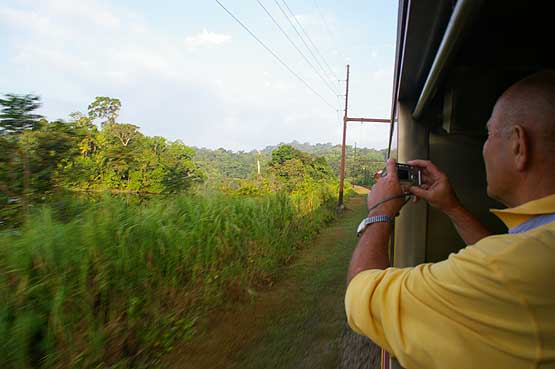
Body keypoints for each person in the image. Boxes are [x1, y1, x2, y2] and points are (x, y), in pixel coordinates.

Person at [345, 70, 555, 369]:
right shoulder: (536, 249)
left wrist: (379, 212)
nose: (484, 147)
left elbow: (361, 296)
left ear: (518, 145)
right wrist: (452, 207)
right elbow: (506, 259)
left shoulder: (519, 268)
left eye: (489, 135)